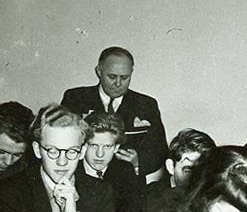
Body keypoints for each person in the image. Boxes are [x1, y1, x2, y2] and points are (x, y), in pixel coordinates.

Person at [61, 46, 168, 184]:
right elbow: (62, 140)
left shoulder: (146, 104)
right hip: (82, 180)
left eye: (124, 78)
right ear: (99, 71)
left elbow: (160, 151)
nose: (118, 83)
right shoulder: (75, 98)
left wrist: (138, 161)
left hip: (127, 182)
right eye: (112, 77)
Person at [81, 111, 146, 212]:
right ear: (83, 145)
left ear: (116, 148)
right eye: (93, 145)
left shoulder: (124, 171)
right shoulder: (72, 170)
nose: (100, 154)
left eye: (107, 147)